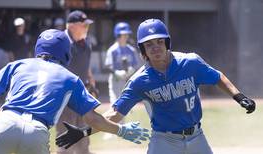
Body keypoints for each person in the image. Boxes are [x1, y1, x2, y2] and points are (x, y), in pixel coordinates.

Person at [55, 19, 256, 154]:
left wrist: (238, 96)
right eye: (149, 44)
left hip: (197, 137)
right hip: (164, 141)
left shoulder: (190, 63)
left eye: (159, 42)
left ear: (167, 43)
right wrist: (83, 132)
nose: (156, 47)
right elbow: (114, 114)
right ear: (142, 50)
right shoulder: (139, 81)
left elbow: (216, 77)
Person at [0, 29, 149, 154]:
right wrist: (120, 130)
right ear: (66, 52)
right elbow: (92, 118)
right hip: (36, 131)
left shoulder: (17, 65)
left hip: (5, 123)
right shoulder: (70, 78)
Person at [56, 10, 99, 154]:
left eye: (87, 25)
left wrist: (91, 82)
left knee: (83, 137)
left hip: (82, 97)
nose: (87, 28)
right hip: (65, 99)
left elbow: (86, 67)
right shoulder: (60, 43)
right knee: (65, 138)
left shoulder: (86, 44)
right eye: (83, 25)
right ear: (72, 26)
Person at [103, 22, 139, 139]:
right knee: (114, 104)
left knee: (124, 104)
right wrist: (117, 72)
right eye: (123, 34)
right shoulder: (112, 50)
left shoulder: (131, 50)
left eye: (127, 34)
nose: (126, 36)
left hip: (127, 80)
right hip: (115, 80)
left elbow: (135, 64)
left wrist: (130, 71)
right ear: (117, 34)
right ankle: (109, 130)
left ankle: (122, 129)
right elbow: (108, 66)